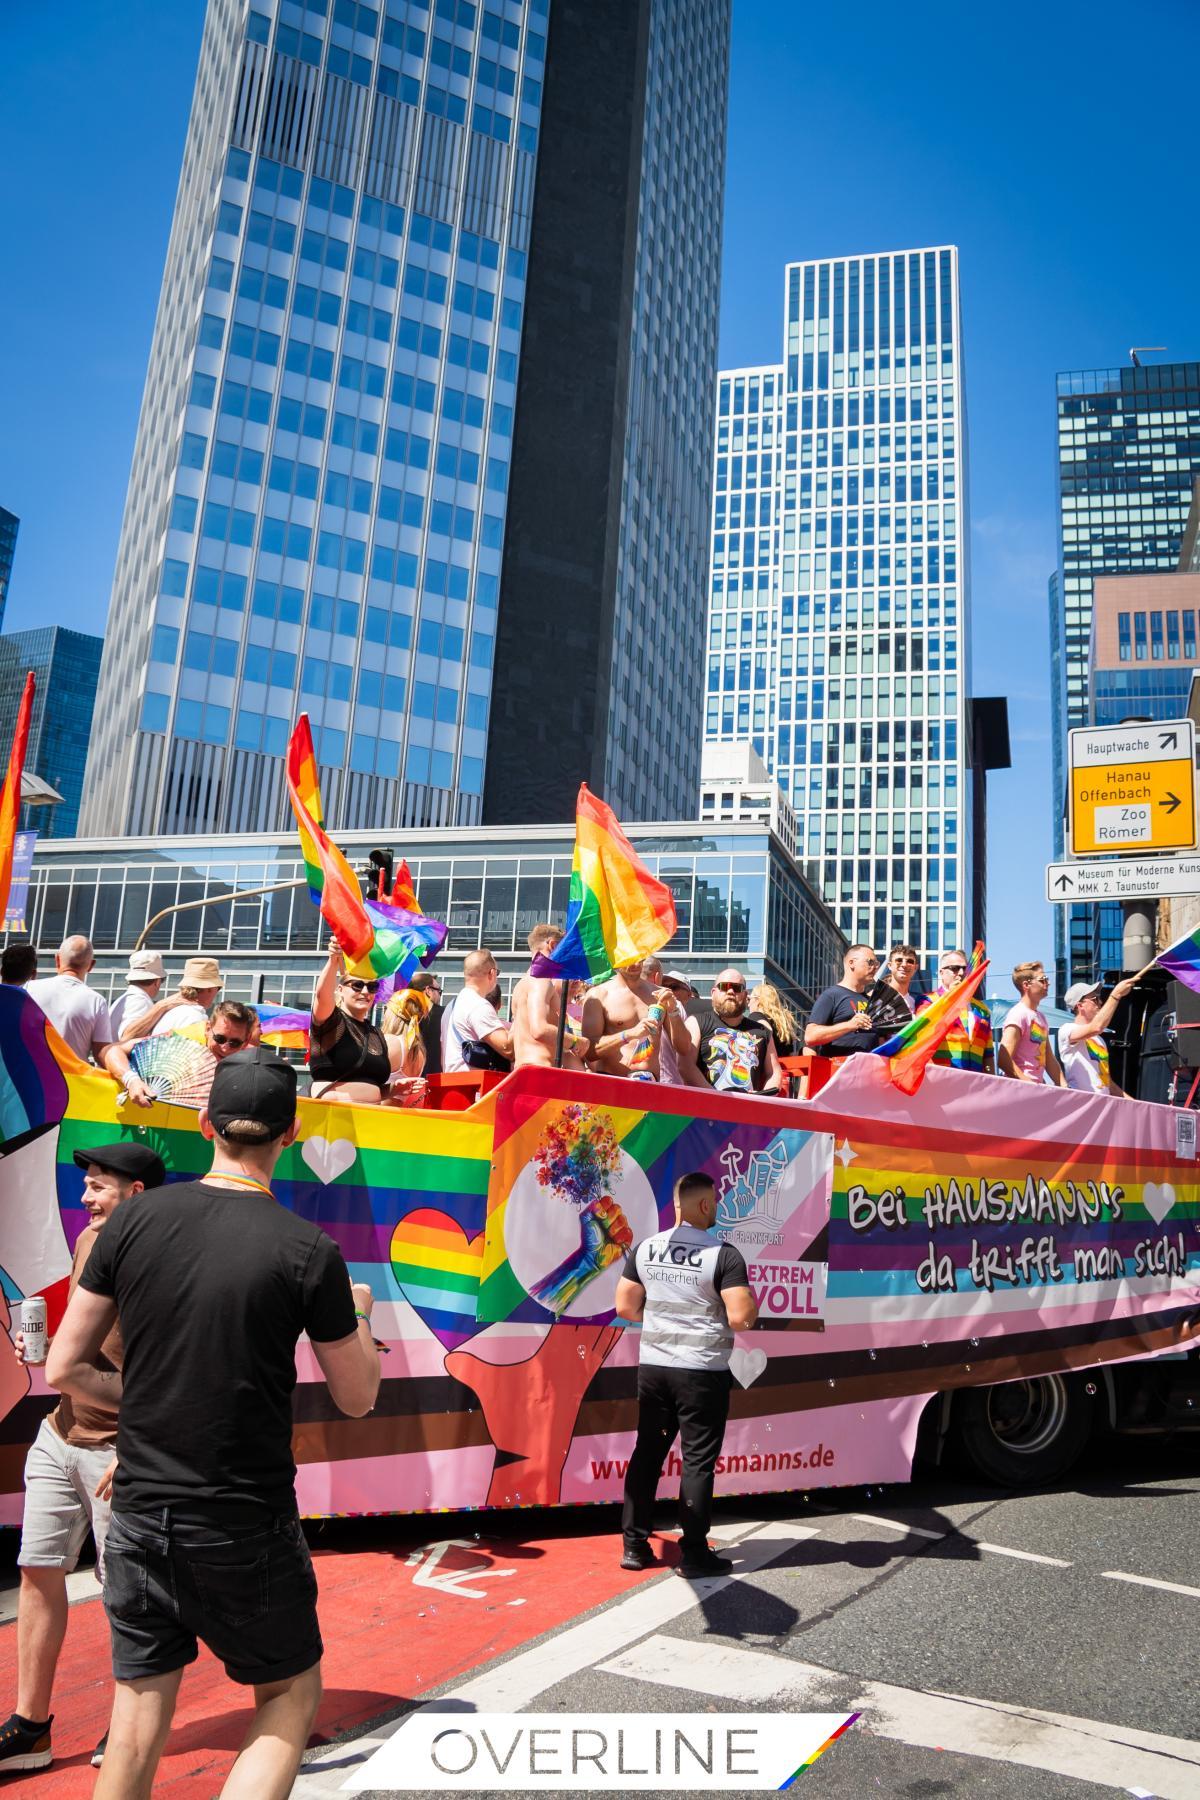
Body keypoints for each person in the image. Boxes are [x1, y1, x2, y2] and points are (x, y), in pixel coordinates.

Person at [46, 1049, 382, 1800]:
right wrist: (360, 1312)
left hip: (136, 1506)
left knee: (135, 1712)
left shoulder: (132, 1221)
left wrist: (159, 1409)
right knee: (289, 1694)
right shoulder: (307, 1250)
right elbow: (357, 1396)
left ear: (204, 1126)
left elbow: (67, 1367)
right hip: (241, 1517)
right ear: (290, 1134)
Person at [0, 1142, 165, 1778]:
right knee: (37, 1570)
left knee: (125, 1594)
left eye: (99, 1187)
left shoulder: (154, 1257)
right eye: (86, 1185)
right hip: (60, 1434)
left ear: (137, 1195)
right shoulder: (90, 1241)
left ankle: (126, 1725)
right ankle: (31, 1725)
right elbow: (84, 1341)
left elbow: (171, 1361)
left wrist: (142, 1444)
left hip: (119, 1450)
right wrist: (37, 1348)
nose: (85, 1198)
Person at [616, 1171, 758, 1578]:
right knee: (697, 1462)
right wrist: (750, 1306)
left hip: (655, 1369)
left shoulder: (645, 1248)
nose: (716, 1207)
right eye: (713, 1200)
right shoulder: (723, 1255)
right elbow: (741, 1317)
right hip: (701, 1374)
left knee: (647, 1454)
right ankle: (694, 1554)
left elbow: (625, 1308)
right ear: (702, 1205)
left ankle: (634, 1546)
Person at [26, 938, 153, 1107]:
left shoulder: (27, 989)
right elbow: (103, 1053)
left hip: (26, 1085)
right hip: (70, 1092)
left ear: (57, 959)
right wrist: (131, 1078)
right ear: (91, 965)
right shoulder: (95, 1001)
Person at [309, 941, 427, 1105]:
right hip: (334, 1116)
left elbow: (372, 1086)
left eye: (372, 987)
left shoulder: (375, 1034)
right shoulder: (332, 1021)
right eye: (357, 985)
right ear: (341, 990)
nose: (365, 992)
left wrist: (395, 1088)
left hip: (369, 1118)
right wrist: (333, 960)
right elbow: (322, 996)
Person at [685, 969, 781, 1095]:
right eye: (724, 987)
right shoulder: (696, 1022)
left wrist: (762, 1097)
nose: (730, 992)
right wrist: (714, 1096)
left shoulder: (762, 1031)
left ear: (746, 996)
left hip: (748, 1108)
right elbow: (685, 1066)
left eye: (737, 988)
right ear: (713, 993)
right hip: (704, 1107)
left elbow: (774, 1073)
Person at [582, 961, 680, 1082]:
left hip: (649, 1083)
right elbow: (589, 1051)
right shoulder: (599, 995)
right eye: (629, 959)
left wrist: (673, 1011)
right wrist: (628, 1034)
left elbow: (683, 1048)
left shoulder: (660, 994)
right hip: (611, 1083)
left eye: (639, 957)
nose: (636, 964)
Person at [804, 946, 887, 1060]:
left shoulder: (872, 1001)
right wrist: (850, 1025)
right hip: (839, 1071)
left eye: (876, 963)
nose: (875, 967)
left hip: (869, 1071)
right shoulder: (832, 995)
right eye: (870, 962)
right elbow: (810, 1036)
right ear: (851, 963)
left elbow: (880, 1041)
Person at [117, 957, 224, 1043]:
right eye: (218, 988)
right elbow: (125, 1038)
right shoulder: (196, 1017)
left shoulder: (170, 1012)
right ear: (210, 989)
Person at [922, 948, 995, 1074]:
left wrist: (992, 1084)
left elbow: (988, 1055)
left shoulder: (982, 1010)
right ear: (941, 973)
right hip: (942, 1079)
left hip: (976, 1083)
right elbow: (923, 1039)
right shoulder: (927, 1001)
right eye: (955, 968)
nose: (961, 973)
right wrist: (949, 997)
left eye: (964, 969)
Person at [1058, 978, 1134, 1096]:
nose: (1100, 1002)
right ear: (1080, 1005)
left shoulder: (1099, 1040)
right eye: (1095, 999)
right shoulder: (1067, 1029)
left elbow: (1108, 1083)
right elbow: (1096, 1027)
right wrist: (1116, 994)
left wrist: (1135, 1104)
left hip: (1102, 1103)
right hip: (1081, 1102)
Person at [442, 950, 513, 1073]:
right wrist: (520, 1017)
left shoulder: (451, 1005)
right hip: (474, 1085)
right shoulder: (478, 1005)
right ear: (492, 973)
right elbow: (508, 1048)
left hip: (452, 1080)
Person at [999, 961, 1065, 1086]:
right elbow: (1003, 1059)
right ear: (1026, 985)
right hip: (1019, 1090)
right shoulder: (1018, 1014)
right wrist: (1028, 1083)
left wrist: (1065, 1086)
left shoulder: (1041, 1017)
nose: (1048, 983)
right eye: (1043, 979)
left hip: (1035, 1089)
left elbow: (1049, 1059)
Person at [643, 957, 707, 1086]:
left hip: (669, 1085)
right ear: (657, 978)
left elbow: (685, 1051)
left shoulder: (696, 1018)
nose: (668, 990)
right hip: (639, 1080)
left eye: (674, 987)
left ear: (689, 994)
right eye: (665, 985)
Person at [107, 952, 164, 1041]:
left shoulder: (125, 999)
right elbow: (127, 1038)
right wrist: (162, 1007)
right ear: (157, 981)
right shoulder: (140, 1001)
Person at [747, 982, 801, 1058]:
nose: (748, 1004)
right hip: (782, 1068)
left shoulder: (756, 1016)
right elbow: (790, 1054)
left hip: (766, 1067)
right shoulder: (783, 1025)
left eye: (749, 999)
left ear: (758, 1000)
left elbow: (766, 1031)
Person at [405, 969, 444, 1075]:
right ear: (428, 991)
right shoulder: (445, 1014)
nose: (440, 996)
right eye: (439, 991)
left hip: (408, 1082)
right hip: (437, 1080)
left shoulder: (402, 1017)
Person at [880, 945, 922, 1016]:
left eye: (910, 961)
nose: (904, 965)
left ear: (915, 967)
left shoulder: (917, 1003)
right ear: (889, 965)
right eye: (899, 960)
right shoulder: (877, 998)